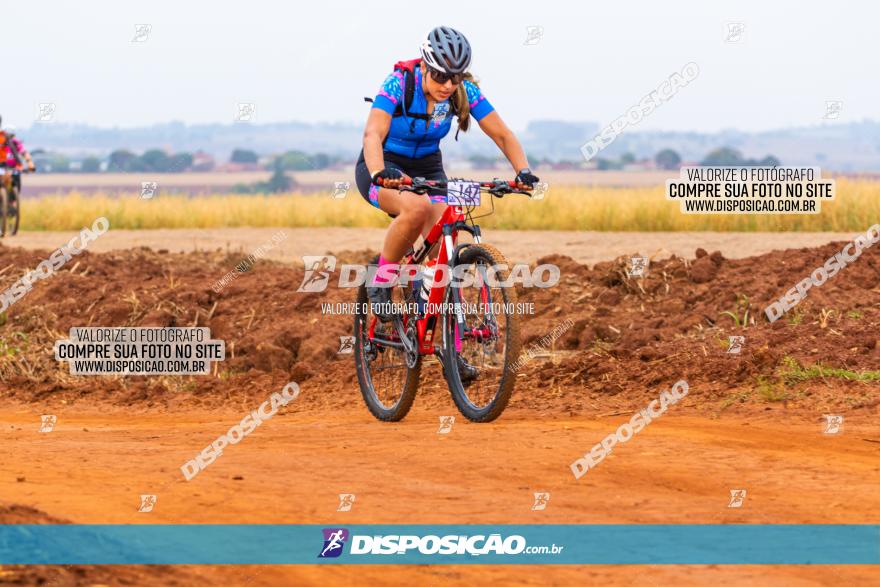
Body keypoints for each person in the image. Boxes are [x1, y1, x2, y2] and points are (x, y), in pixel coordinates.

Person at [355, 26, 539, 383]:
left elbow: (501, 132)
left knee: (449, 232)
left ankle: (446, 347)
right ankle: (381, 280)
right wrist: (379, 172)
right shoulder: (398, 84)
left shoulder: (463, 92)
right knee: (417, 211)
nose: (447, 85)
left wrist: (523, 170)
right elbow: (373, 133)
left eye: (454, 77)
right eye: (440, 75)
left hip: (427, 168)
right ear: (424, 66)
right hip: (382, 165)